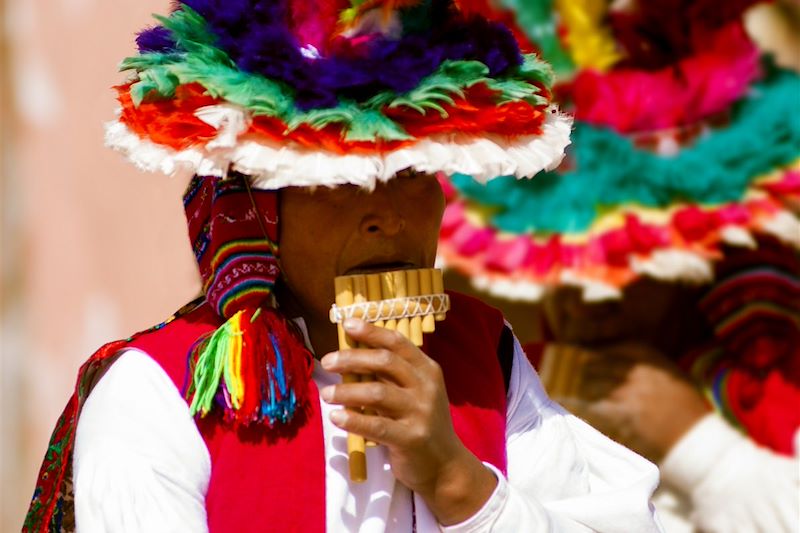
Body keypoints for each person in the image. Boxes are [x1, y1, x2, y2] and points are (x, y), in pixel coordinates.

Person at [23, 1, 663, 532]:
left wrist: (458, 483)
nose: (388, 217)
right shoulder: (155, 394)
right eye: (341, 182)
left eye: (410, 173)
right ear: (262, 210)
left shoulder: (487, 357)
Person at [435, 2, 800, 532]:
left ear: (700, 256)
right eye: (564, 265)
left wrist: (703, 449)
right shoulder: (507, 379)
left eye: (620, 267)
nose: (589, 299)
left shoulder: (780, 373)